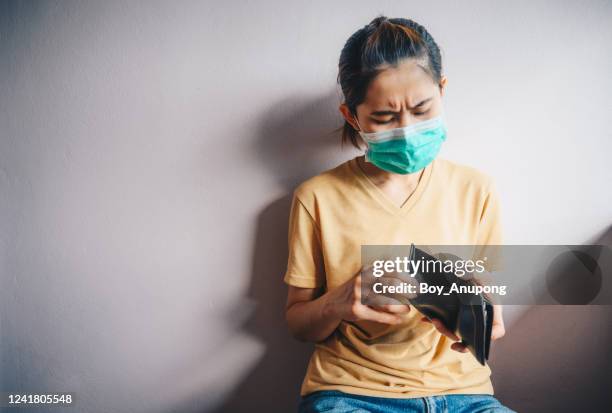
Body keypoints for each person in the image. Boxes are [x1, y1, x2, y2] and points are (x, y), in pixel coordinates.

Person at [283, 15, 516, 413]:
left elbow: (491, 307)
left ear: (442, 92)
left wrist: (479, 316)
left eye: (422, 109)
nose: (407, 130)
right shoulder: (316, 198)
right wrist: (338, 302)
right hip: (350, 394)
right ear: (352, 116)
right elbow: (297, 322)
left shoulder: (477, 190)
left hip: (465, 394)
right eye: (385, 118)